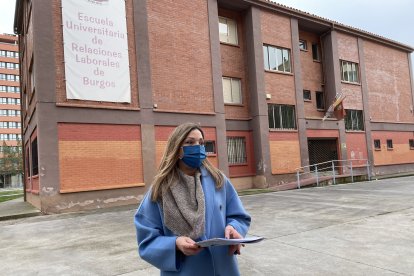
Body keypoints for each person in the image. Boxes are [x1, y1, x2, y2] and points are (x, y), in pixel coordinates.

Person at [134, 123, 251, 275]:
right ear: (176, 149)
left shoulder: (218, 181)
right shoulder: (159, 191)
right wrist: (174, 244)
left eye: (201, 143)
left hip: (224, 268)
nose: (197, 147)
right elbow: (146, 242)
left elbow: (239, 216)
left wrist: (234, 228)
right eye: (190, 142)